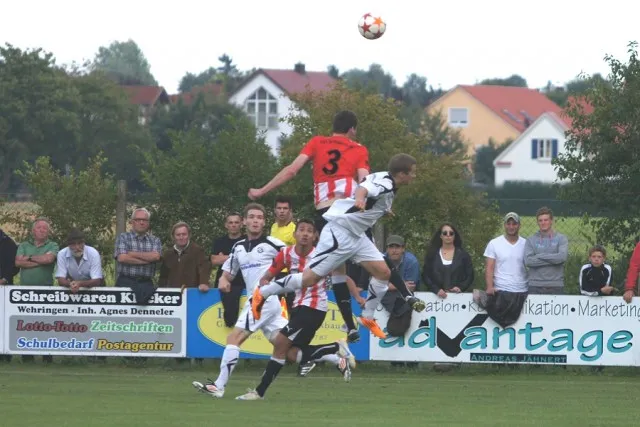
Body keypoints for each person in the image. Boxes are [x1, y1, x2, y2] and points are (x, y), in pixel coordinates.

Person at [252, 154, 426, 340]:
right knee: (309, 278)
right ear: (402, 174)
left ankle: (367, 317)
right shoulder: (386, 183)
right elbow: (363, 189)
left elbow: (371, 191)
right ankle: (263, 292)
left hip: (357, 235)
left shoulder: (386, 179)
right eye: (412, 173)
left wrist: (383, 208)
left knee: (383, 272)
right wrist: (360, 199)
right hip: (339, 233)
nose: (414, 176)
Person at [248, 110, 369, 343]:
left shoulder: (317, 142)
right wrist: (378, 203)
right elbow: (366, 181)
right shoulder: (358, 148)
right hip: (350, 214)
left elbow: (292, 170)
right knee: (372, 265)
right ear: (352, 129)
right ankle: (357, 320)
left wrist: (262, 190)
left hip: (326, 212)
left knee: (336, 270)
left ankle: (349, 324)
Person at [233, 219, 358, 401]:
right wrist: (263, 288)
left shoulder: (322, 256)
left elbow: (342, 278)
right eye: (302, 230)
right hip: (297, 306)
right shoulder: (286, 254)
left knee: (280, 343)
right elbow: (267, 276)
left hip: (314, 307)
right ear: (295, 234)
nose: (305, 233)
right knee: (292, 355)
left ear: (315, 236)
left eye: (309, 231)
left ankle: (259, 392)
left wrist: (358, 296)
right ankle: (335, 348)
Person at [473, 212, 529, 328]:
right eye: (508, 223)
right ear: (504, 225)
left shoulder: (526, 244)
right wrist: (489, 287)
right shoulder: (494, 243)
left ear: (519, 225)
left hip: (522, 290)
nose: (511, 227)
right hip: (501, 289)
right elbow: (489, 267)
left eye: (514, 224)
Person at [210, 213, 246, 327]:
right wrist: (237, 257)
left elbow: (249, 259)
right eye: (230, 222)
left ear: (241, 224)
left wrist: (224, 257)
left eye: (236, 222)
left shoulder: (247, 241)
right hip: (222, 283)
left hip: (243, 283)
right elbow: (214, 260)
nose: (233, 225)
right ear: (226, 225)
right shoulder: (219, 241)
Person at [524, 206, 569, 295]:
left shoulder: (561, 238)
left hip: (556, 285)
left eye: (546, 220)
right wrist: (553, 259)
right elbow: (528, 261)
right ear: (537, 222)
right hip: (535, 285)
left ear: (551, 221)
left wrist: (539, 256)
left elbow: (561, 258)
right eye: (540, 220)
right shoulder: (530, 240)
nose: (543, 223)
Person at [423, 223, 474, 298]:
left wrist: (460, 287)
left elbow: (470, 275)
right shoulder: (432, 255)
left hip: (458, 298)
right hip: (435, 298)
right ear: (440, 236)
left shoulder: (463, 255)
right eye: (445, 233)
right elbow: (426, 275)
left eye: (451, 233)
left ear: (454, 236)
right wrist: (436, 289)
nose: (448, 235)